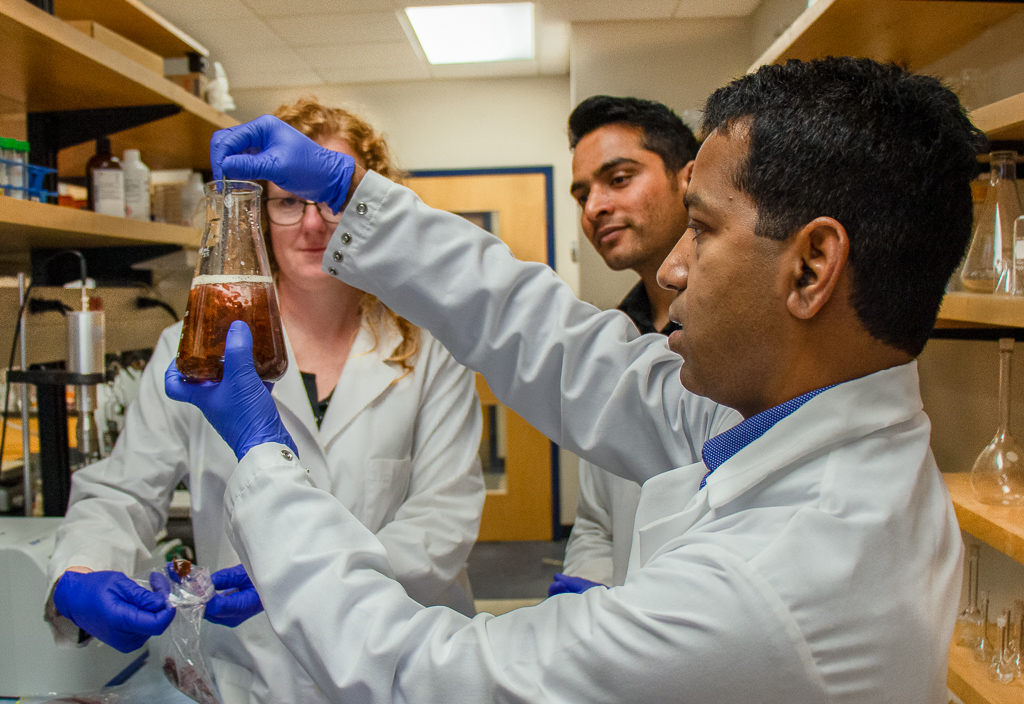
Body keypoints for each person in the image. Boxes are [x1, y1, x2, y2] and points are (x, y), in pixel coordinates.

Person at [169, 57, 984, 702]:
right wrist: (357, 199)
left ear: (811, 267)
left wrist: (263, 460)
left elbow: (426, 675)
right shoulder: (824, 424)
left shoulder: (765, 590)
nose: (672, 265)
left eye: (699, 228)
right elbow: (569, 355)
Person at [46, 98, 486, 704]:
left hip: (401, 669)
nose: (312, 223)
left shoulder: (429, 348)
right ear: (255, 212)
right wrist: (83, 572)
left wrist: (303, 574)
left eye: (331, 197)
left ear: (366, 204)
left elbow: (443, 522)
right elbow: (123, 491)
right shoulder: (191, 347)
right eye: (287, 201)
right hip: (249, 675)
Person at [553, 95, 739, 594]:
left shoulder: (745, 336)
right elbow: (596, 519)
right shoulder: (618, 332)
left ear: (689, 177)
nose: (595, 207)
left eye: (618, 179)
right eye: (582, 195)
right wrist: (582, 594)